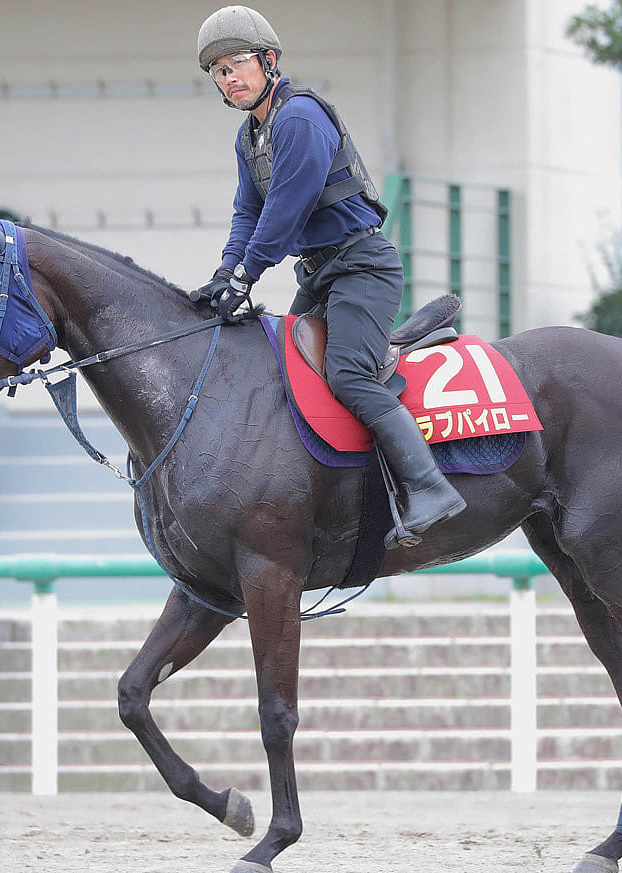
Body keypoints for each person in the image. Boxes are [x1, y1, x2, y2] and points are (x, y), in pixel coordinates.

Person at [190, 5, 465, 547]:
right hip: (320, 274)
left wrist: (247, 274)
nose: (229, 77)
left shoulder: (298, 118)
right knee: (286, 375)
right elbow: (247, 212)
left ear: (269, 61)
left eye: (237, 63)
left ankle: (430, 487)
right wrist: (226, 272)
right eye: (219, 70)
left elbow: (286, 209)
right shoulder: (250, 137)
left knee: (347, 376)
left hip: (363, 266)